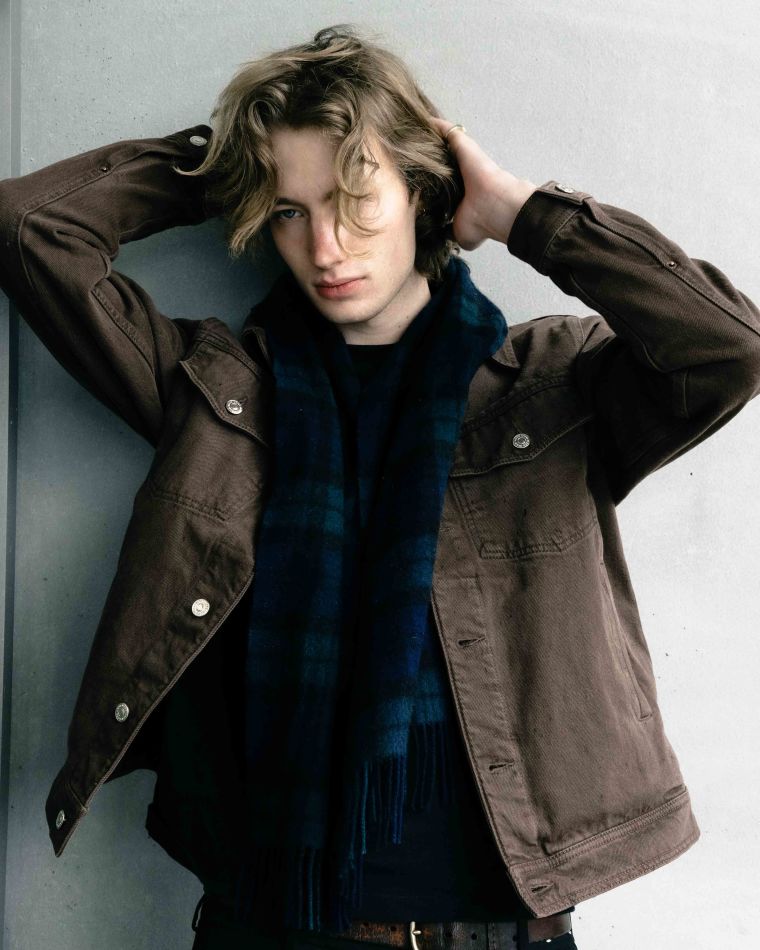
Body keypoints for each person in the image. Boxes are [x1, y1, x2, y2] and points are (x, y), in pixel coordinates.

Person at [1, 22, 758, 950]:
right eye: (288, 212)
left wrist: (521, 213)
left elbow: (727, 349)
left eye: (355, 200)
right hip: (271, 927)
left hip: (501, 933)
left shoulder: (552, 386)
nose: (324, 245)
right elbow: (33, 230)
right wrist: (221, 164)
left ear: (422, 192)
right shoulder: (221, 391)